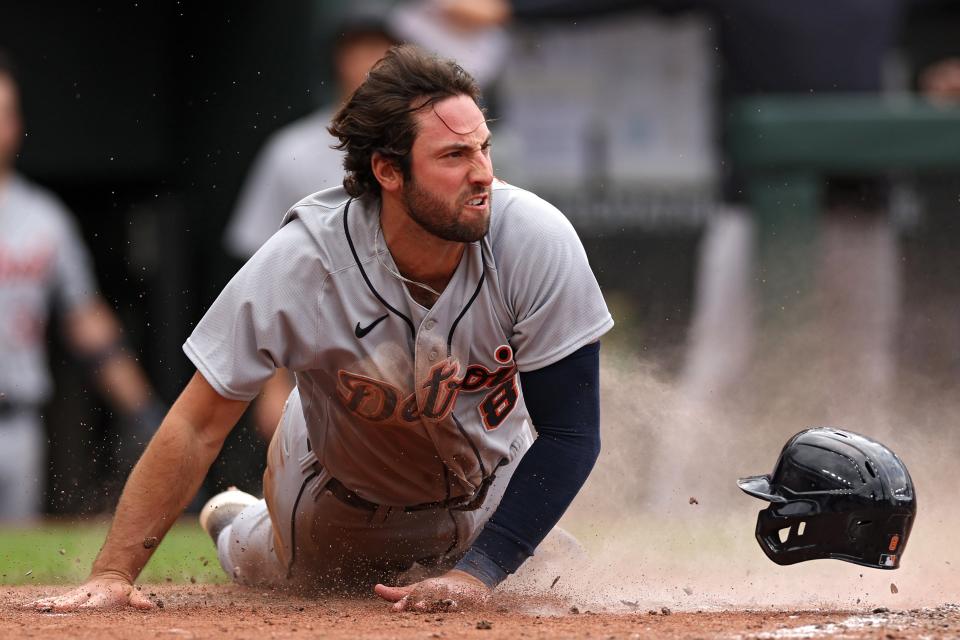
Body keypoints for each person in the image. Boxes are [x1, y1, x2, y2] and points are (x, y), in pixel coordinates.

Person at [29, 45, 612, 611]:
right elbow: (196, 425)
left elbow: (569, 434)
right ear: (388, 170)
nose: (483, 173)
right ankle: (239, 523)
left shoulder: (534, 237)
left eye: (483, 149)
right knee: (276, 569)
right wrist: (111, 574)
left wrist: (480, 572)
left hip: (492, 488)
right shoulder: (304, 261)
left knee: (544, 576)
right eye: (454, 156)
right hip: (339, 505)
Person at [223, 12, 400, 441]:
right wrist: (271, 385)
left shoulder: (420, 150)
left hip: (406, 352)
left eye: (384, 52)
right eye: (361, 50)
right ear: (340, 59)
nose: (372, 63)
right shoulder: (291, 150)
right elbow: (261, 276)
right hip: (315, 354)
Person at [0, 52, 161, 521]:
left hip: (19, 422)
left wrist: (145, 412)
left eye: (5, 112)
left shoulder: (44, 217)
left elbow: (85, 321)